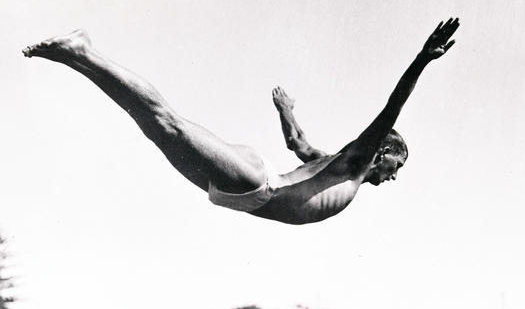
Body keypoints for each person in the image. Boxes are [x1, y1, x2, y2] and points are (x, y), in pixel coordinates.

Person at [23, 19, 459, 225]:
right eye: (396, 168)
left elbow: (298, 144)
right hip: (257, 184)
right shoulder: (356, 162)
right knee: (167, 123)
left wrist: (285, 108)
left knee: (155, 129)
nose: (393, 178)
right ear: (383, 151)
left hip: (242, 195)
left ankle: (76, 57)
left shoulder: (334, 166)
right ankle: (81, 52)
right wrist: (422, 59)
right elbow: (392, 109)